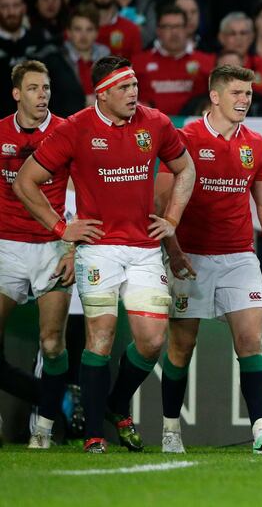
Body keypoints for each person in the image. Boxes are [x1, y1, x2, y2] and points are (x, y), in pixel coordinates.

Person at [13, 55, 196, 454]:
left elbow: (186, 169)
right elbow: (26, 181)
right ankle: (94, 433)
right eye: (125, 88)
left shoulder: (156, 123)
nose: (134, 94)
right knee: (101, 337)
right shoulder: (76, 128)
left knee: (151, 341)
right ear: (103, 93)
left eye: (135, 86)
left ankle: (115, 403)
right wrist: (62, 229)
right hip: (98, 249)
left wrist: (173, 219)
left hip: (145, 248)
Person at [155, 65, 262, 455]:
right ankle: (169, 430)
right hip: (191, 257)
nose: (244, 100)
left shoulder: (256, 144)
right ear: (215, 96)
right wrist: (174, 253)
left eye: (248, 94)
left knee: (250, 340)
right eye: (236, 93)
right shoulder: (185, 139)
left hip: (239, 256)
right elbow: (164, 201)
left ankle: (261, 432)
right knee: (181, 347)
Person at [0, 60, 69, 449]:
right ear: (16, 93)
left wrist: (71, 246)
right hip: (6, 245)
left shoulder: (65, 132)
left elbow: (78, 190)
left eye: (45, 88)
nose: (41, 95)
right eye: (33, 88)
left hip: (51, 246)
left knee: (51, 343)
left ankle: (42, 426)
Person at [132, 4, 214, 116]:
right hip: (150, 127)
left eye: (178, 26)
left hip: (193, 128)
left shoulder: (206, 62)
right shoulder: (139, 63)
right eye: (168, 27)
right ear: (158, 30)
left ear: (186, 29)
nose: (174, 32)